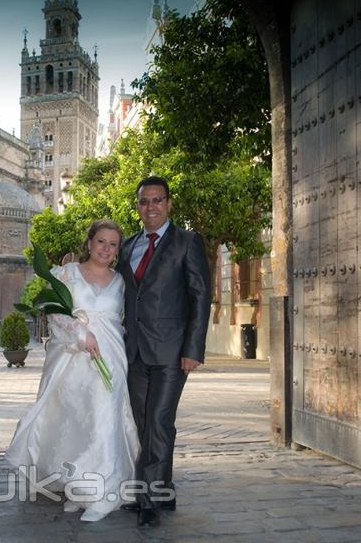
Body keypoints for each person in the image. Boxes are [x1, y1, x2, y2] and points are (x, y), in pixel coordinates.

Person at [5, 219, 140, 522]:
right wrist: (80, 335)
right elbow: (55, 313)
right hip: (72, 359)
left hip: (110, 358)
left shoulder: (121, 281)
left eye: (113, 244)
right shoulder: (66, 274)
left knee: (105, 418)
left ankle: (106, 493)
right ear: (89, 243)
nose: (106, 248)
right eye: (101, 241)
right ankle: (79, 490)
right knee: (75, 421)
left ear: (118, 250)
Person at [117, 176, 211, 528]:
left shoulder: (188, 242)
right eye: (144, 201)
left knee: (158, 421)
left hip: (173, 352)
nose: (151, 207)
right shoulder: (127, 247)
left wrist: (193, 349)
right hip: (135, 351)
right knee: (144, 424)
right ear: (138, 206)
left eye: (157, 200)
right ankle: (164, 490)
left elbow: (201, 296)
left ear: (169, 204)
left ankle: (149, 499)